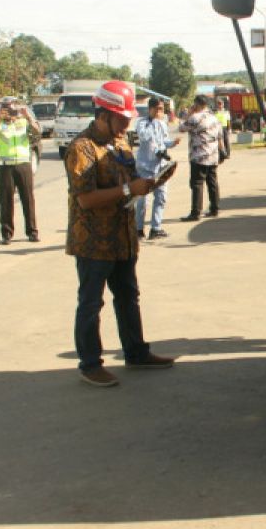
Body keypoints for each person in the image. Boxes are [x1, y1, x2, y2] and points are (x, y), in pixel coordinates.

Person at [63, 80, 177, 387]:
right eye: (122, 119)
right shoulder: (81, 149)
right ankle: (89, 364)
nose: (127, 125)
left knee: (128, 296)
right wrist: (129, 188)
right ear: (103, 116)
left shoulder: (121, 142)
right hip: (93, 242)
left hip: (122, 239)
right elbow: (86, 199)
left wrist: (147, 184)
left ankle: (136, 352)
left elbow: (130, 182)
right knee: (91, 303)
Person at [0, 96, 41, 244]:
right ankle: (6, 234)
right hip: (5, 166)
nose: (8, 111)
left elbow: (38, 132)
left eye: (10, 107)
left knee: (28, 199)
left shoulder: (23, 121)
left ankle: (32, 232)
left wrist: (28, 117)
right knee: (6, 201)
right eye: (5, 107)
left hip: (23, 164)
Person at [133, 96, 180, 240]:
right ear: (151, 109)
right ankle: (139, 229)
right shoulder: (141, 123)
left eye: (162, 109)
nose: (161, 111)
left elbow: (164, 141)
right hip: (145, 166)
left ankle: (156, 228)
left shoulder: (162, 124)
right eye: (158, 109)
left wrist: (172, 143)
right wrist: (152, 121)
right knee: (142, 201)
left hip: (160, 167)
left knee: (161, 198)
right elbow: (144, 137)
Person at [179, 95, 222, 222]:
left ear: (196, 104)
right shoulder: (214, 118)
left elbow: (181, 128)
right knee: (212, 183)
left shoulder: (194, 118)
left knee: (197, 184)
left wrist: (189, 114)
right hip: (213, 155)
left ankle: (196, 212)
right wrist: (222, 151)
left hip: (199, 157)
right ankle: (215, 208)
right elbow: (220, 136)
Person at [213, 96, 231, 162]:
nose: (220, 105)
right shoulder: (215, 112)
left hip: (224, 128)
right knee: (218, 142)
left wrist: (229, 129)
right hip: (217, 128)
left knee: (226, 141)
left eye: (221, 104)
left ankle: (228, 154)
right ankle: (220, 154)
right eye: (219, 104)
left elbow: (228, 121)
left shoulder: (226, 112)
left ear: (223, 104)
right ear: (217, 105)